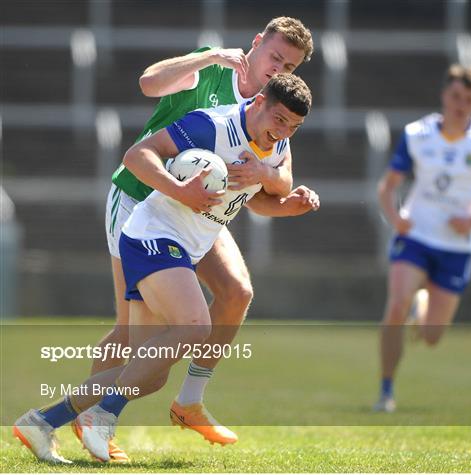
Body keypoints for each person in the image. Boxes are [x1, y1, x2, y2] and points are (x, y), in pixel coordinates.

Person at [13, 73, 315, 464]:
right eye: (279, 119)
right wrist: (181, 191)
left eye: (293, 126)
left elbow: (255, 199)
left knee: (149, 374)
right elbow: (137, 155)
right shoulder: (211, 125)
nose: (283, 131)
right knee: (195, 326)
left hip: (180, 248)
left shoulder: (277, 145)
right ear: (258, 102)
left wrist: (288, 206)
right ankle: (103, 416)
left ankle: (41, 421)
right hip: (151, 236)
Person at [94, 16, 313, 460]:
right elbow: (148, 83)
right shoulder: (212, 70)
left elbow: (279, 181)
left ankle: (190, 400)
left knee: (236, 292)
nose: (278, 69)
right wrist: (208, 55)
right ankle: (81, 417)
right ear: (255, 44)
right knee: (132, 334)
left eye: (289, 65)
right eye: (274, 57)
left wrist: (266, 173)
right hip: (143, 201)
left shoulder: (274, 109)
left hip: (201, 218)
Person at [373, 64, 471, 413]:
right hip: (417, 235)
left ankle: (421, 310)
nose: (460, 104)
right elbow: (388, 187)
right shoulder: (417, 133)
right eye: (456, 96)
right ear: (444, 96)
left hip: (458, 245)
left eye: (468, 99)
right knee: (395, 306)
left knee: (432, 337)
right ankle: (386, 392)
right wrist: (396, 218)